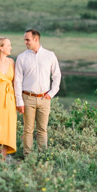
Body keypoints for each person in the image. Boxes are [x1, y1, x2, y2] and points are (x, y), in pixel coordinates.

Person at [14, 29, 61, 157]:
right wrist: (19, 101)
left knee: (42, 130)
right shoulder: (21, 57)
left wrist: (51, 93)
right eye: (24, 40)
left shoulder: (50, 55)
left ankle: (43, 156)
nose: (25, 42)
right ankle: (27, 157)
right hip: (27, 98)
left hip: (44, 98)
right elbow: (17, 81)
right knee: (28, 130)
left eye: (27, 39)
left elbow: (57, 75)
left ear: (36, 39)